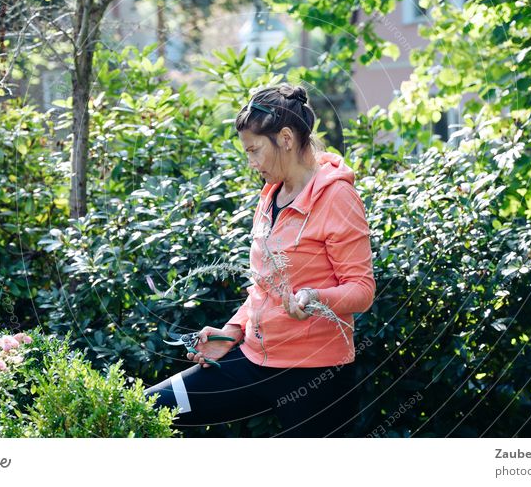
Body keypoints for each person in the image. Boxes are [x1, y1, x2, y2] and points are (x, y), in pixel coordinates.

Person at [143, 83, 376, 437]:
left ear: (285, 138)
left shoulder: (337, 197)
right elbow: (262, 288)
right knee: (149, 407)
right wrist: (230, 333)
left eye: (254, 150)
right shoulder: (271, 196)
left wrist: (316, 298)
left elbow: (362, 289)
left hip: (315, 374)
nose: (252, 163)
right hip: (252, 360)